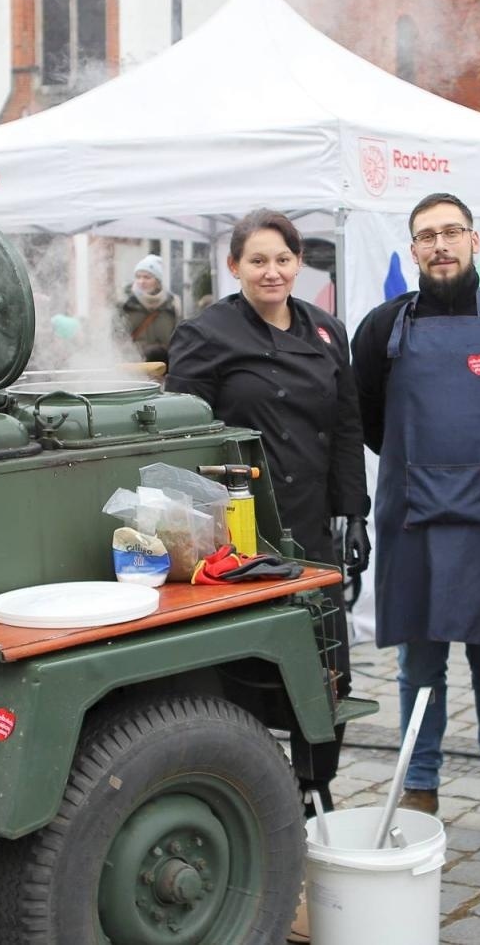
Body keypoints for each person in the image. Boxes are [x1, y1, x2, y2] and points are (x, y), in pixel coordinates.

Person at [351, 191, 480, 842]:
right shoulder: (383, 327)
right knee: (420, 666)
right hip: (415, 518)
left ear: (474, 241)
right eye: (427, 235)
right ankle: (419, 784)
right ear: (412, 249)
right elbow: (372, 422)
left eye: (451, 232)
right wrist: (426, 467)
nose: (440, 245)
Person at [164, 209, 370, 815]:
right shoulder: (207, 333)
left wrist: (353, 512)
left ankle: (315, 782)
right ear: (234, 267)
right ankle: (246, 782)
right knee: (243, 662)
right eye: (258, 260)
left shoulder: (327, 330)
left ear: (299, 263)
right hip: (237, 526)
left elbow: (345, 427)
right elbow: (180, 436)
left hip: (309, 520)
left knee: (327, 659)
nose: (272, 271)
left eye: (283, 259)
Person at [119, 254, 179, 363]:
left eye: (147, 277)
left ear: (158, 281)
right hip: (133, 365)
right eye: (138, 276)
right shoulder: (124, 304)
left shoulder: (172, 305)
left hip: (164, 366)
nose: (141, 281)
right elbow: (116, 338)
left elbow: (178, 338)